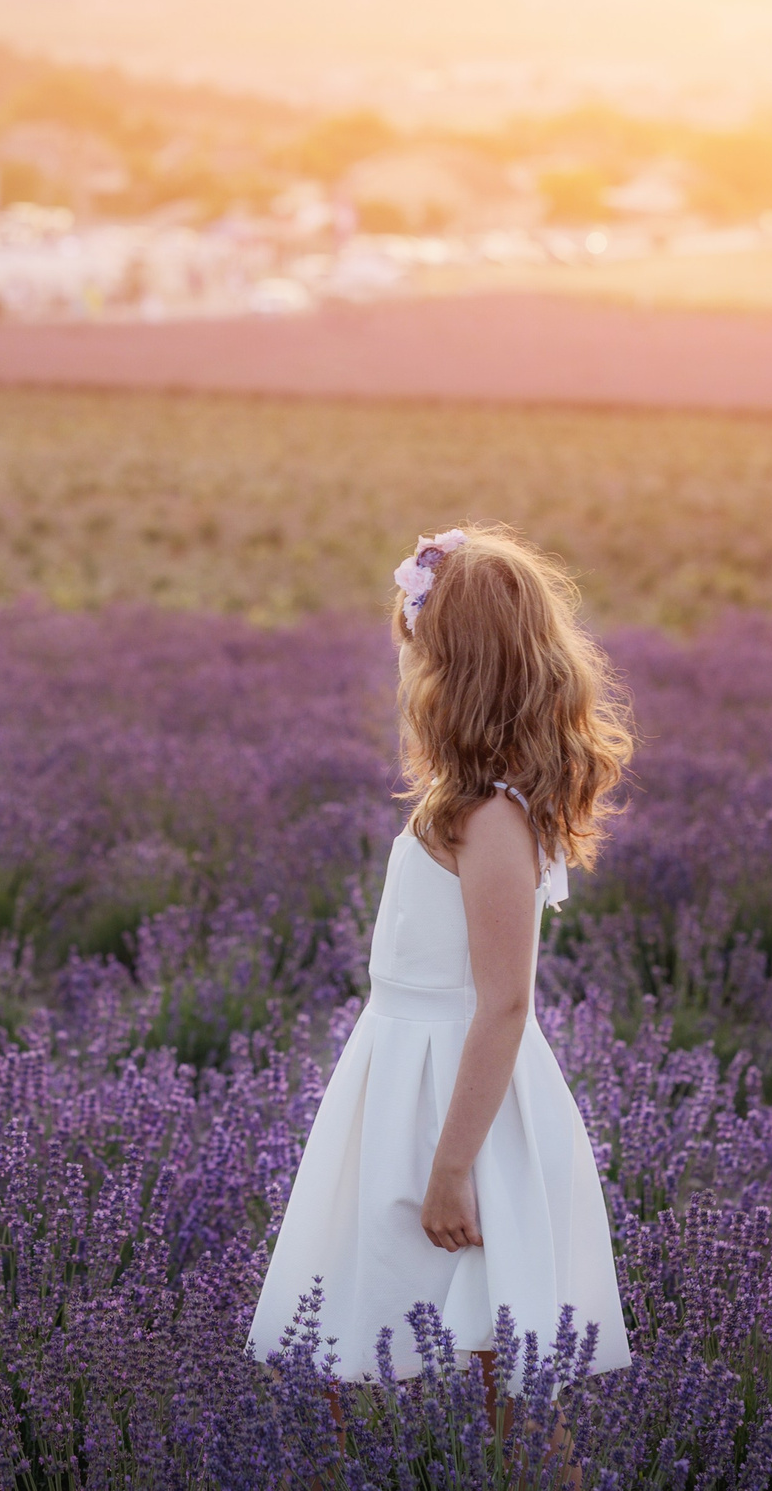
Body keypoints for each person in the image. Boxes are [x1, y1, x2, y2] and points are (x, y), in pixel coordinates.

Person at [249, 522, 633, 1386]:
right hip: (401, 1084)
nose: (403, 664)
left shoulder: (492, 818)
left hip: (461, 1110)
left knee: (496, 1362)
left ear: (455, 670)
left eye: (415, 646)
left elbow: (504, 1002)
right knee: (351, 1340)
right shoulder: (459, 799)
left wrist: (453, 1168)